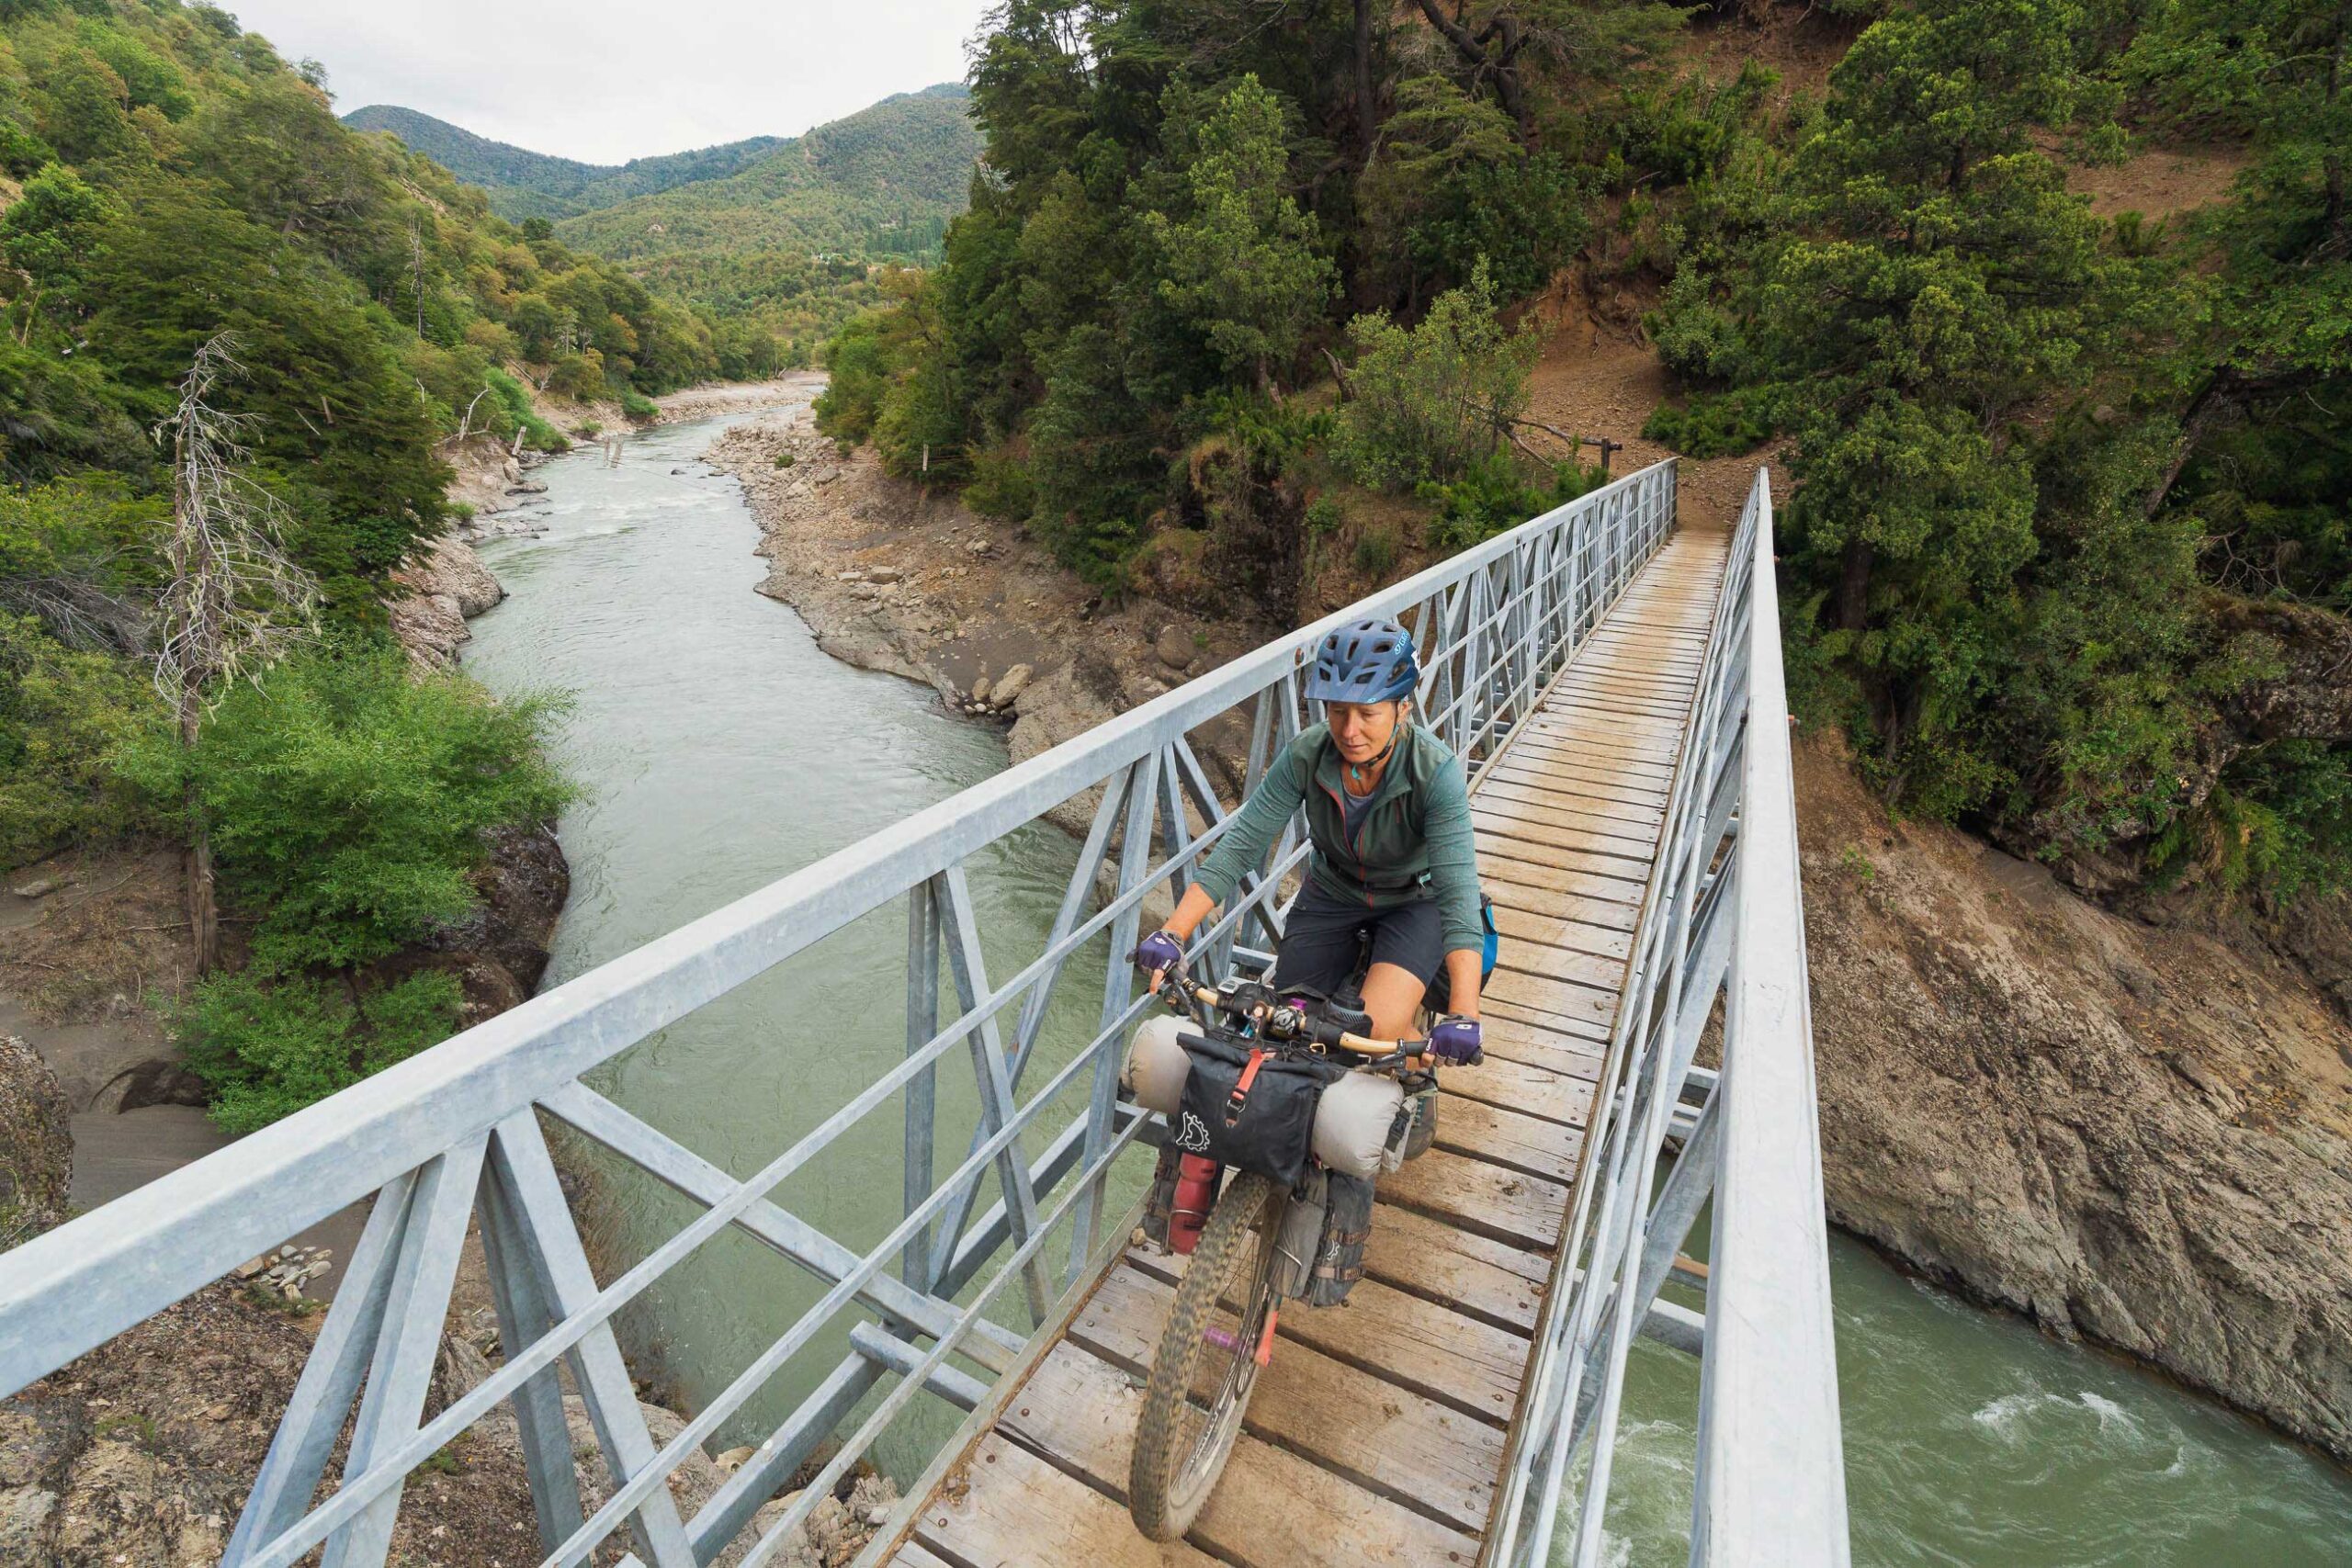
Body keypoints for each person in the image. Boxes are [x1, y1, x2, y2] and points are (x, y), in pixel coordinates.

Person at [1130, 615, 1483, 1064]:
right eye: (1338, 710)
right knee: (1285, 1022)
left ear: (1402, 708)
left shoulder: (1435, 772)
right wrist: (1173, 933)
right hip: (1333, 892)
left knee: (1372, 1034)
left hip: (1413, 900)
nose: (1349, 731)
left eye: (1368, 713)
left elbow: (1458, 892)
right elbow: (1243, 844)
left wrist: (1464, 1012)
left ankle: (1418, 1070)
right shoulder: (1308, 753)